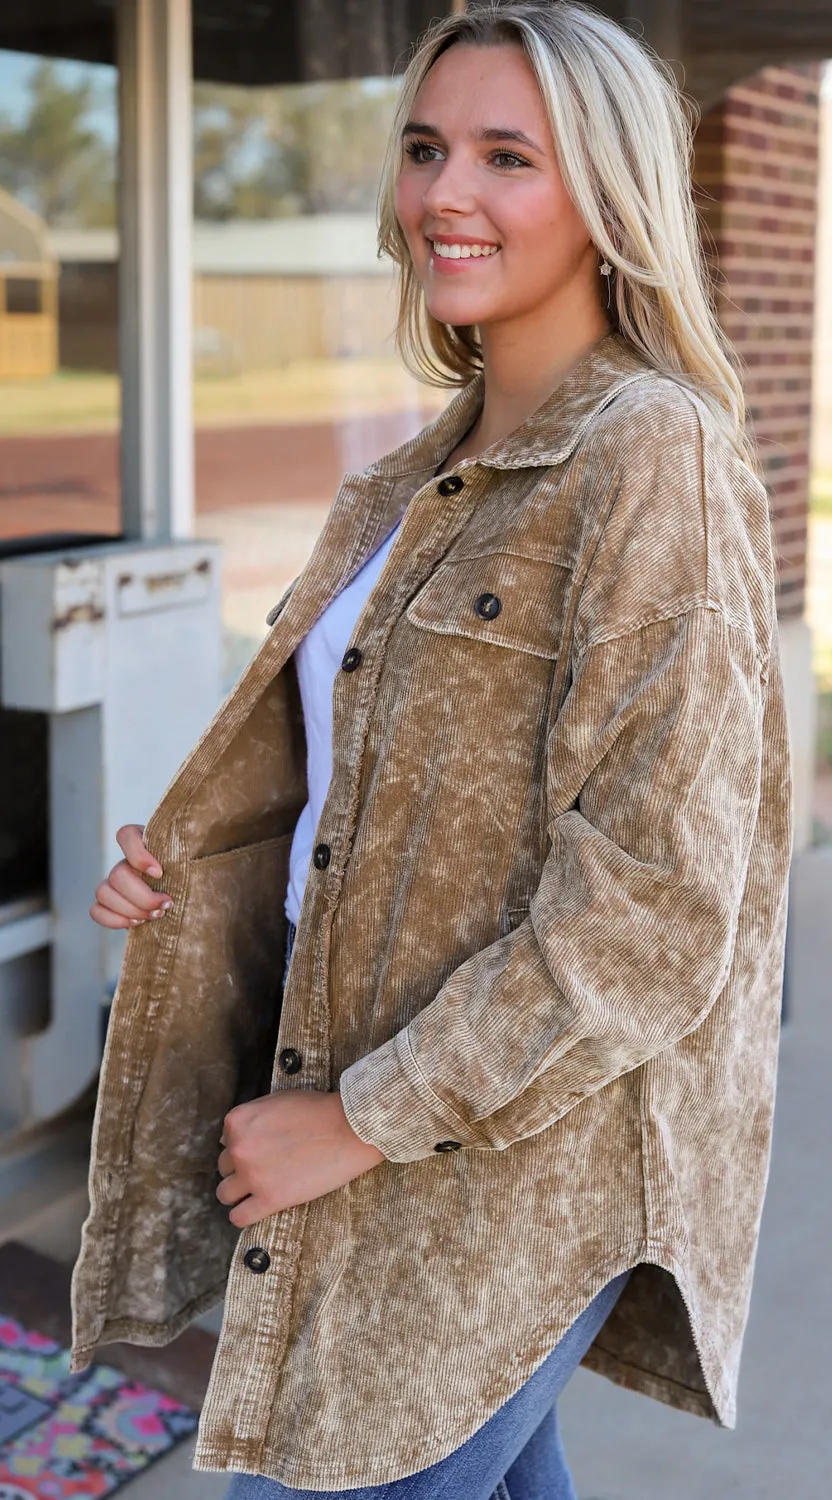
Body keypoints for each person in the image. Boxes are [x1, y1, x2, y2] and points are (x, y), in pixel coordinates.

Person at [76, 4, 793, 1498]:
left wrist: (357, 1122)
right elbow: (360, 793)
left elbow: (658, 907)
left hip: (502, 1156)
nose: (443, 194)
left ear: (607, 196)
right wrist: (198, 873)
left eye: (506, 155)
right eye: (423, 148)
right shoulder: (410, 476)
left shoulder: (653, 454)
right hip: (375, 1112)